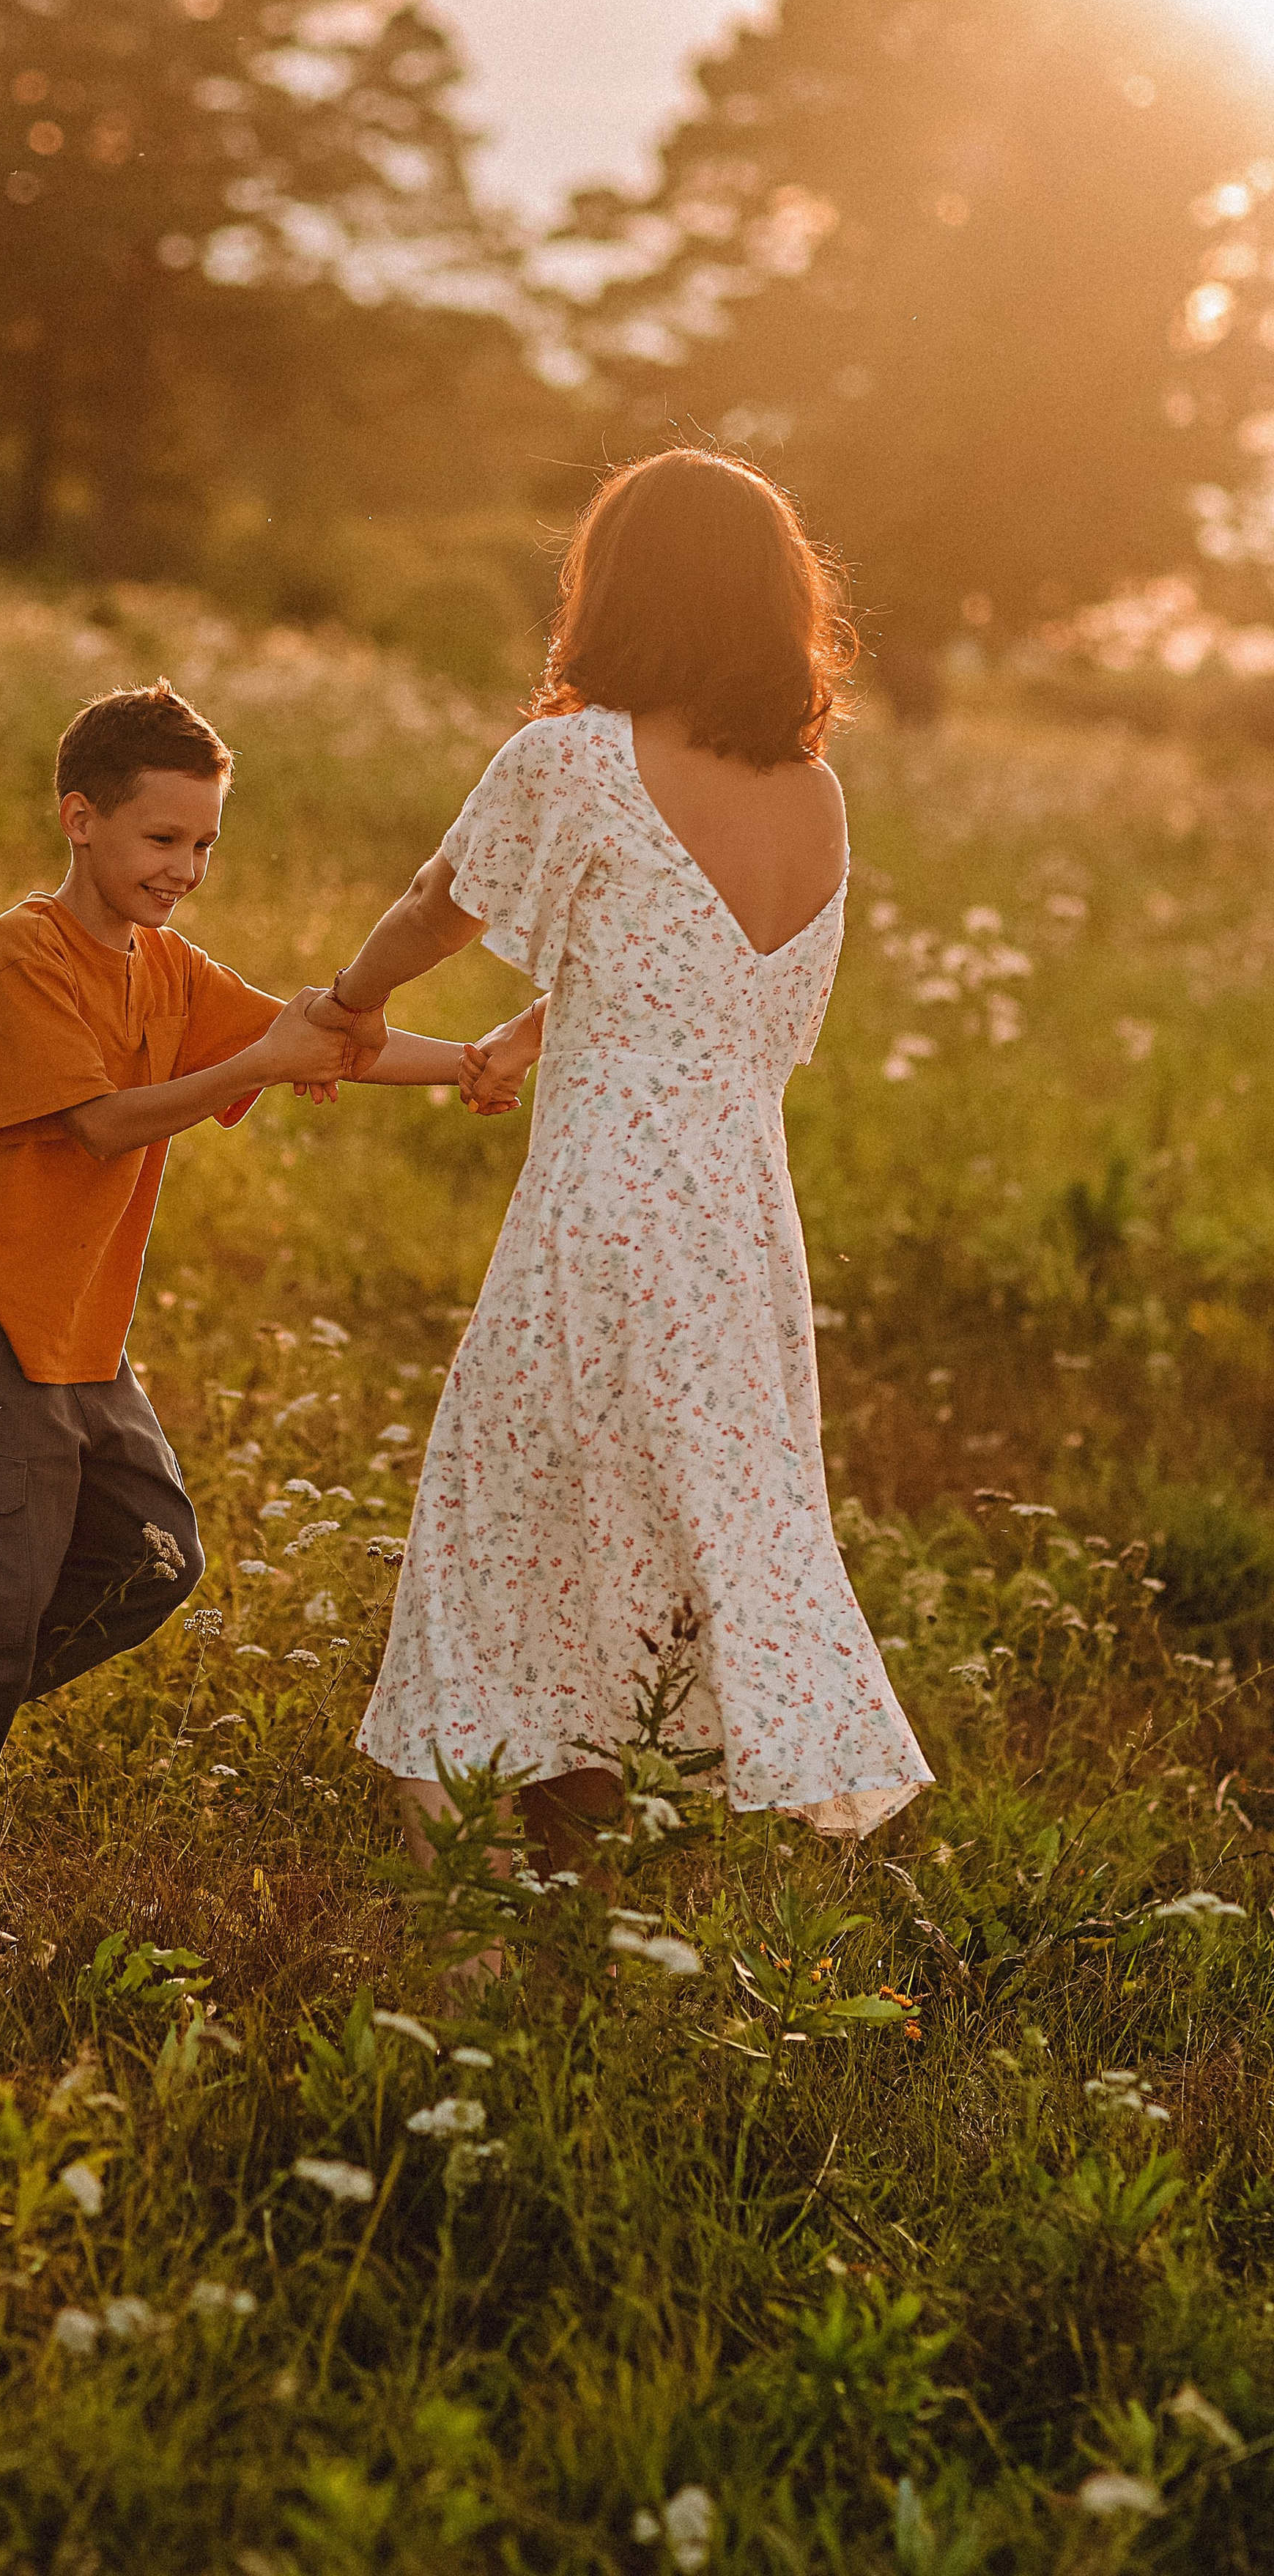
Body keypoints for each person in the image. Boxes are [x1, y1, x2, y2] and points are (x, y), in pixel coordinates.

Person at [305, 449, 933, 1881]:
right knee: (624, 1555)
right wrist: (540, 1025)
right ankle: (562, 1886)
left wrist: (349, 1004)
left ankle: (478, 1913)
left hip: (601, 1218)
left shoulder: (575, 760)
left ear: (619, 589)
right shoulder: (816, 802)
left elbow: (435, 903)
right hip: (737, 1234)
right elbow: (715, 993)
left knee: (496, 1527)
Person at [0, 680, 467, 1911]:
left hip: (86, 1344)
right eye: (162, 839)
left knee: (153, 1558)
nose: (186, 867)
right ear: (80, 818)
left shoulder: (167, 969)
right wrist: (259, 1062)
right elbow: (99, 1123)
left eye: (205, 844)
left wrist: (473, 1064)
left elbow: (320, 1029)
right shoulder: (32, 948)